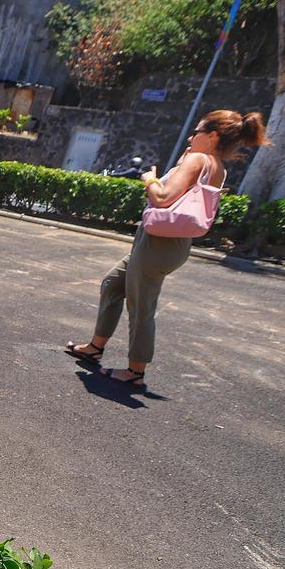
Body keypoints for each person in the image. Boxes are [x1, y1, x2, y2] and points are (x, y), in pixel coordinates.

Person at [65, 110, 269, 387]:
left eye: (196, 132)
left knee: (141, 307)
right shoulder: (217, 166)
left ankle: (135, 371)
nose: (190, 136)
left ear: (211, 136)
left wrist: (150, 178)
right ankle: (95, 347)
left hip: (158, 243)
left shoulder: (199, 159)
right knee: (113, 283)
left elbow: (162, 198)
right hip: (170, 242)